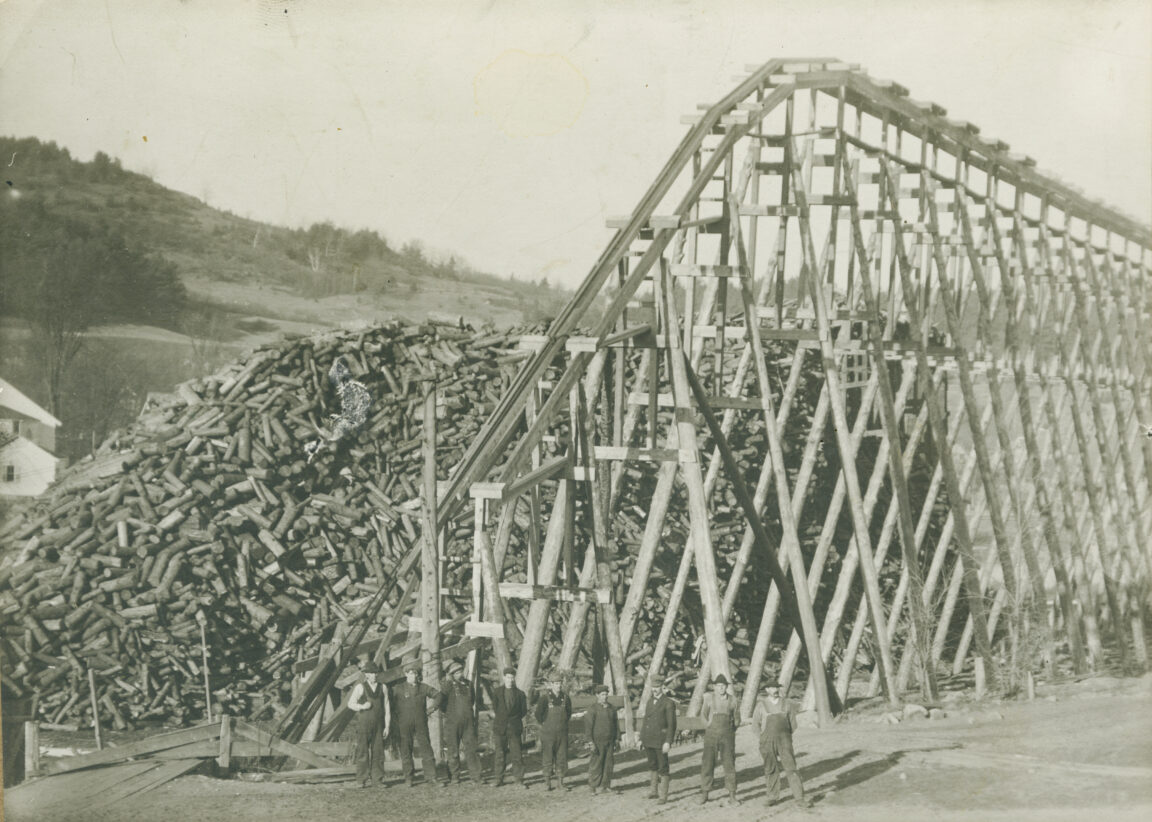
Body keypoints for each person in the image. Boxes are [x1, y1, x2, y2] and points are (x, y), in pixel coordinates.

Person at [752, 682, 809, 808]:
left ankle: (799, 798)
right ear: (767, 689)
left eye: (777, 687)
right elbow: (755, 725)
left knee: (791, 768)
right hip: (767, 741)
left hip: (784, 741)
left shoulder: (787, 703)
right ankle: (772, 797)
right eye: (772, 687)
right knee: (770, 769)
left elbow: (793, 724)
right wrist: (763, 738)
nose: (775, 690)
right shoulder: (761, 705)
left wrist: (785, 737)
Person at [393, 660, 443, 787]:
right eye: (410, 674)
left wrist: (432, 708)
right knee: (406, 749)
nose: (413, 676)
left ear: (418, 675)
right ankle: (409, 778)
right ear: (405, 674)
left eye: (415, 674)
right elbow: (390, 705)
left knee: (426, 748)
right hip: (404, 724)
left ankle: (431, 777)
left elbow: (438, 695)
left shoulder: (423, 687)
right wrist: (394, 720)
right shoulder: (398, 689)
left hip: (421, 723)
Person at [698, 673, 741, 805]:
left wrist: (730, 730)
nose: (721, 688)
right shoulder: (709, 699)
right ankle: (705, 793)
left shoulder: (733, 700)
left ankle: (732, 795)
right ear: (714, 687)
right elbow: (703, 716)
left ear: (726, 687)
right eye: (718, 686)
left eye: (723, 686)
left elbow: (737, 719)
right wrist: (709, 726)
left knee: (729, 765)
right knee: (707, 764)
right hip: (711, 736)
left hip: (727, 737)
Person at [440, 662, 484, 785]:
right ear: (452, 675)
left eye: (460, 671)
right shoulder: (447, 686)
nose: (460, 674)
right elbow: (442, 703)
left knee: (471, 749)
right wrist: (451, 714)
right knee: (453, 750)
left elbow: (473, 700)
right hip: (452, 723)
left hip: (468, 723)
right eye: (456, 672)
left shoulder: (469, 684)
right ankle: (454, 776)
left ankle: (476, 776)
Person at [348, 660, 390, 788]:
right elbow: (350, 704)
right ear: (366, 674)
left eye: (376, 673)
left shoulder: (383, 687)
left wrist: (387, 726)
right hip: (364, 724)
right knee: (362, 751)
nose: (375, 675)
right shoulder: (360, 687)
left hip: (378, 725)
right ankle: (361, 780)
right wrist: (362, 706)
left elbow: (387, 707)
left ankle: (378, 779)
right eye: (372, 673)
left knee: (378, 752)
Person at [639, 674, 677, 805]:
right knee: (652, 765)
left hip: (661, 741)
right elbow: (645, 721)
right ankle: (653, 791)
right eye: (653, 687)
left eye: (657, 686)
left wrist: (668, 741)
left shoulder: (668, 703)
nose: (655, 689)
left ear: (663, 687)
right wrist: (641, 738)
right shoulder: (649, 702)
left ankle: (663, 795)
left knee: (663, 767)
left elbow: (672, 725)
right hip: (649, 739)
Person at [488, 665, 528, 788]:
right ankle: (498, 779)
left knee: (517, 754)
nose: (510, 680)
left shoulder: (520, 694)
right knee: (500, 754)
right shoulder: (497, 692)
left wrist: (513, 721)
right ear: (504, 678)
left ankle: (519, 780)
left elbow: (523, 711)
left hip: (514, 728)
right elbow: (495, 707)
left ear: (514, 678)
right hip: (500, 727)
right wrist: (502, 718)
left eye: (512, 677)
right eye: (508, 677)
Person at [534, 670, 573, 791]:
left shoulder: (566, 698)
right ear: (551, 684)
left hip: (562, 733)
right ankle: (547, 783)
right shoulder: (545, 699)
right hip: (548, 733)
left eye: (560, 683)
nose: (558, 685)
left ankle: (560, 782)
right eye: (556, 683)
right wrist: (546, 725)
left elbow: (568, 713)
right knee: (548, 757)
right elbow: (538, 715)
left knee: (561, 757)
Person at [586, 684, 618, 795]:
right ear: (597, 695)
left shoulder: (612, 708)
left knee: (608, 764)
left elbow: (616, 725)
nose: (605, 697)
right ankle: (592, 787)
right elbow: (588, 727)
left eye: (606, 694)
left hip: (610, 741)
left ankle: (606, 786)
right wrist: (591, 742)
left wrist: (617, 739)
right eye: (602, 694)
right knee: (596, 764)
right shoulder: (593, 709)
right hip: (597, 742)